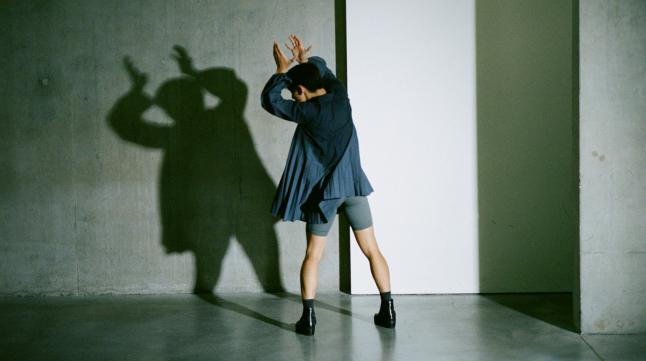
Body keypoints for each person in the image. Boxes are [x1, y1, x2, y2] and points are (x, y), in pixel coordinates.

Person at [260, 34, 396, 336]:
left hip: (326, 197)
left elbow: (270, 101)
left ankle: (307, 319)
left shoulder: (305, 112)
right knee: (373, 249)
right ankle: (388, 310)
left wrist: (282, 70)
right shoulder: (340, 96)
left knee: (313, 255)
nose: (295, 99)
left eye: (296, 94)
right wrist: (305, 62)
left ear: (299, 91)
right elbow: (325, 73)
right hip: (354, 188)